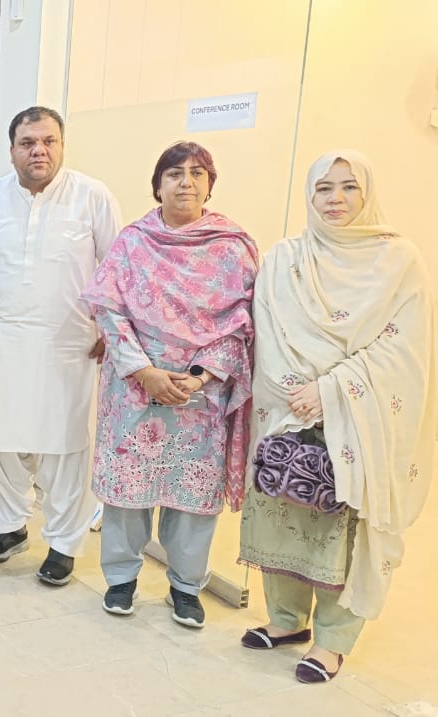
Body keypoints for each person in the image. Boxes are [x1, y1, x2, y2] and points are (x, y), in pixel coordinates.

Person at [238, 150, 435, 683]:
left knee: (343, 526)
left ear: (367, 193)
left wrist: (331, 390)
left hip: (356, 417)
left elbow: (403, 349)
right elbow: (268, 332)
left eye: (349, 187)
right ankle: (285, 620)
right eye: (324, 188)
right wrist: (296, 392)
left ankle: (332, 641)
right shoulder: (285, 257)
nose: (336, 199)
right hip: (289, 409)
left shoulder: (398, 261)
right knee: (284, 507)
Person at [81, 141, 256, 628]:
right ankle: (121, 579)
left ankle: (186, 587)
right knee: (127, 493)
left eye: (197, 173)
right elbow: (108, 311)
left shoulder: (232, 248)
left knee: (193, 496)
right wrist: (145, 372)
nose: (186, 182)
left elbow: (241, 324)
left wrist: (199, 377)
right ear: (157, 185)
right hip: (135, 388)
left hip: (200, 394)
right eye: (175, 173)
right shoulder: (132, 242)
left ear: (210, 185)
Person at [0, 106, 122, 585]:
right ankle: (8, 526)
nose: (39, 151)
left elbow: (118, 271)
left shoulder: (92, 196)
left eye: (49, 141)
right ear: (11, 149)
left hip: (69, 345)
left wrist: (110, 330)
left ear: (62, 145)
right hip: (2, 341)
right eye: (28, 142)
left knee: (64, 444)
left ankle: (63, 542)